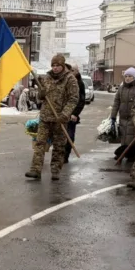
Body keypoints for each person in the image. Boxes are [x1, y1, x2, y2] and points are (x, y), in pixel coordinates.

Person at [26, 53, 79, 181]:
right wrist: (41, 93)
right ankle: (35, 170)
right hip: (45, 117)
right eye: (53, 65)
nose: (55, 68)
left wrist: (65, 114)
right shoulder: (46, 78)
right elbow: (40, 97)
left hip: (60, 118)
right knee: (39, 143)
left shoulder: (70, 79)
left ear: (63, 65)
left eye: (57, 65)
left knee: (59, 146)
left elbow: (73, 99)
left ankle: (55, 170)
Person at [110, 67, 135, 165]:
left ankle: (125, 154)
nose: (127, 78)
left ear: (134, 77)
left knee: (131, 138)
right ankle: (126, 154)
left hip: (134, 118)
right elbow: (116, 102)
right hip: (123, 118)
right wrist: (113, 116)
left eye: (130, 76)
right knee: (124, 138)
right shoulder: (121, 88)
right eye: (126, 76)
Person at [64, 62, 86, 164]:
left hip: (72, 115)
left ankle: (66, 155)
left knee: (69, 136)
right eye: (70, 70)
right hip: (62, 113)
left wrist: (75, 113)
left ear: (77, 71)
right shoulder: (65, 80)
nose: (71, 72)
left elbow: (81, 100)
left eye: (73, 70)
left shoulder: (80, 83)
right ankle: (59, 155)